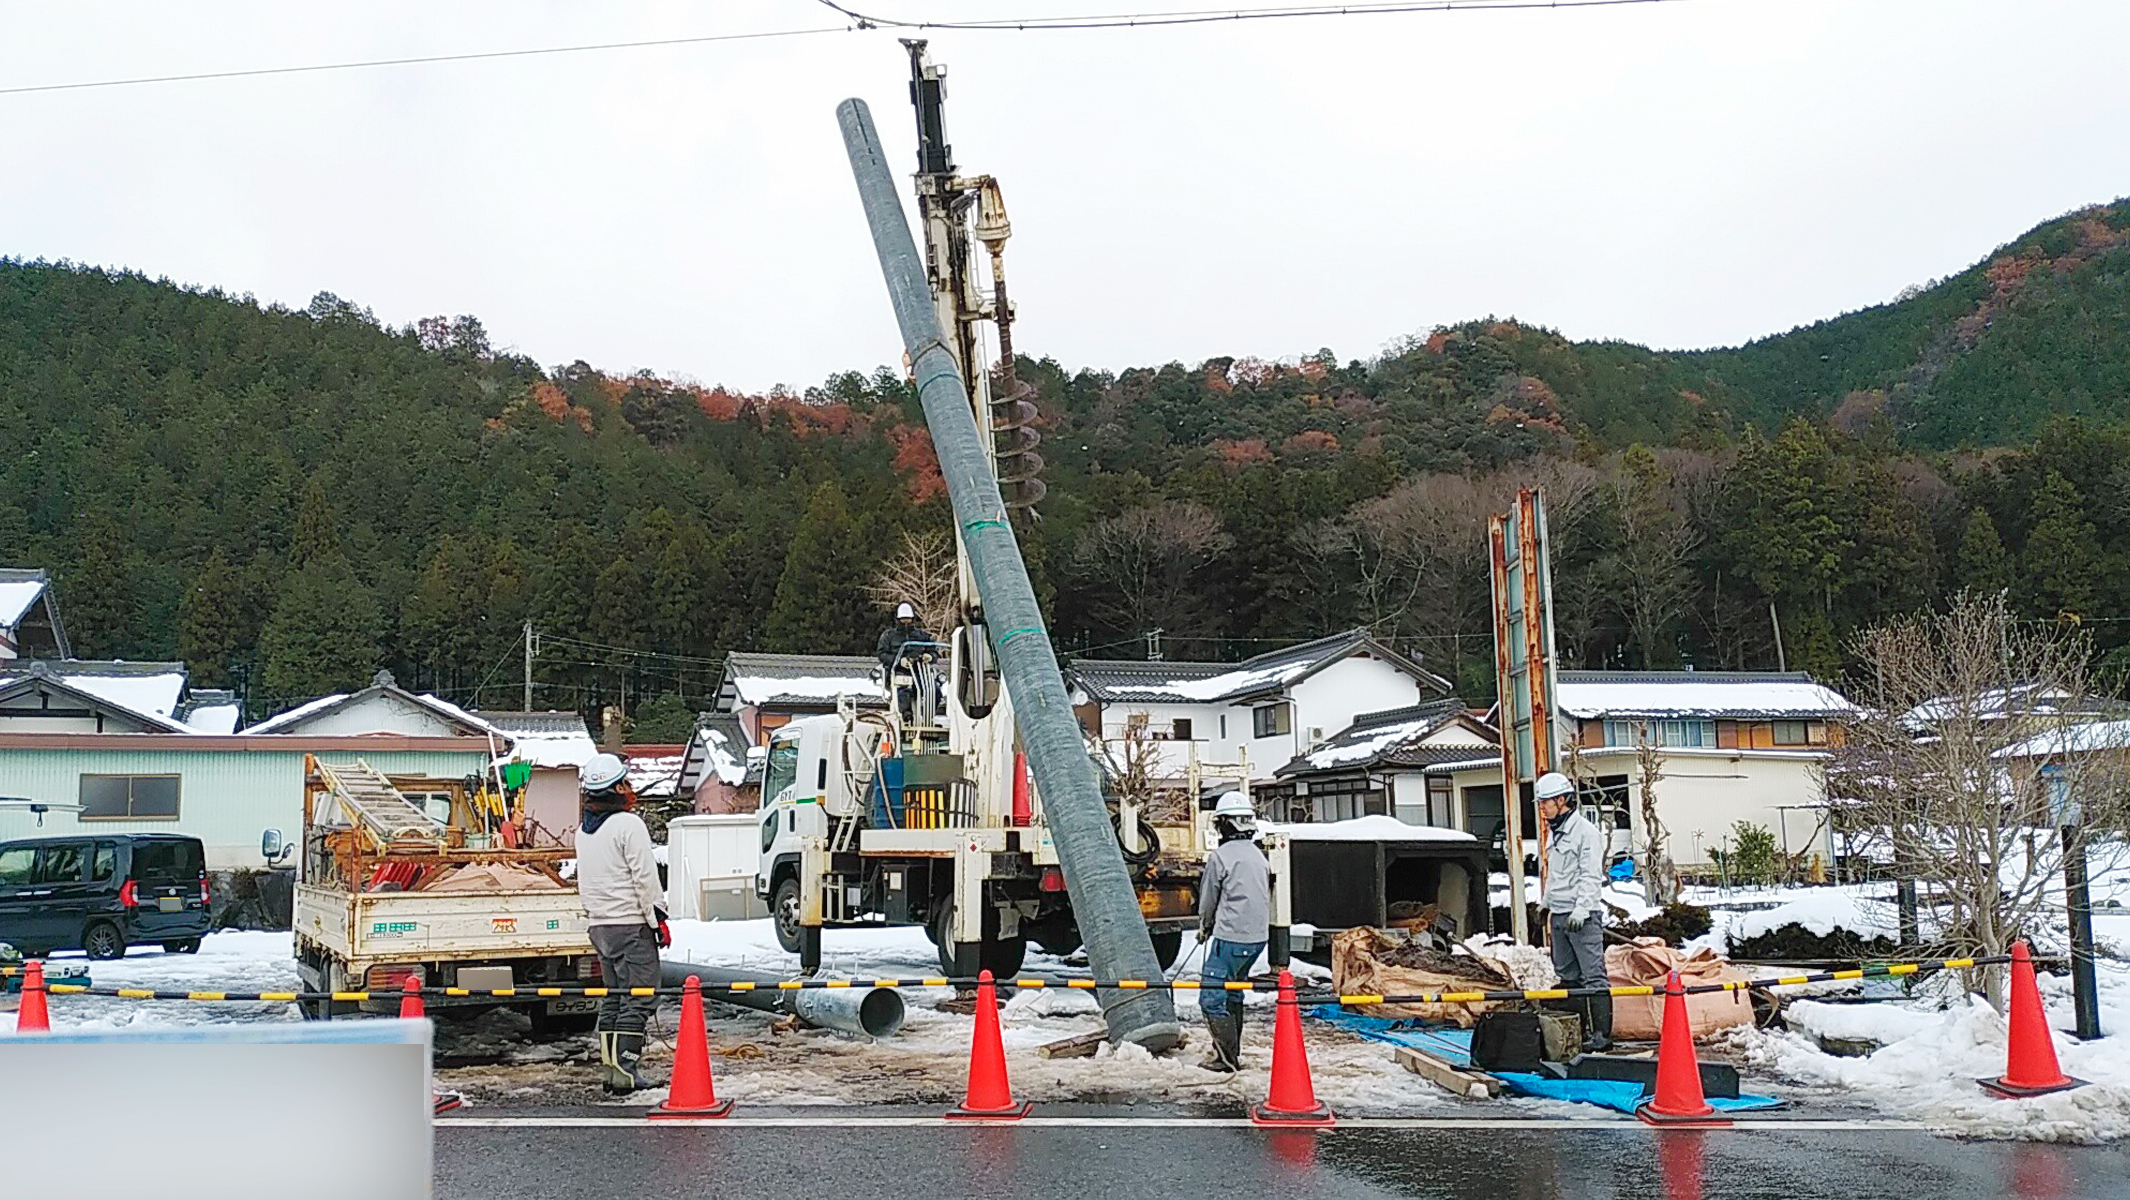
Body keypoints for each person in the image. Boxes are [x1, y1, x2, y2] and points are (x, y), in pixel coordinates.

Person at [575, 752, 672, 1094]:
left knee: (615, 997)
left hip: (600, 927)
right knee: (640, 997)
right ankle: (627, 1070)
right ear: (616, 788)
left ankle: (612, 1072)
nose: (631, 788)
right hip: (630, 925)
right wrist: (657, 917)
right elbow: (645, 878)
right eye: (626, 782)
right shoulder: (628, 825)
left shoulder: (582, 833)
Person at [1537, 770, 1613, 1052]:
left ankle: (1602, 1036)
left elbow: (1590, 876)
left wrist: (1582, 910)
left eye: (1545, 801)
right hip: (1559, 913)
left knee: (1593, 975)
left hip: (1582, 916)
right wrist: (1546, 903)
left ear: (1562, 800)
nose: (1542, 807)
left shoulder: (1585, 833)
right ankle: (1578, 1030)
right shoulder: (1554, 833)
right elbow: (1556, 874)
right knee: (1567, 975)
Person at [1195, 791, 1270, 1072]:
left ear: (1225, 824)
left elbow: (1209, 899)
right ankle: (1231, 1052)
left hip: (1230, 938)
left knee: (1211, 998)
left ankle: (1226, 1058)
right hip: (1256, 941)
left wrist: (1205, 926)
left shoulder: (1221, 857)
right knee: (1234, 992)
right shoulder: (1259, 857)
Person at [875, 602, 935, 721]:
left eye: (908, 619)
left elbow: (933, 650)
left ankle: (927, 714)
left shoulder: (922, 636)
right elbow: (882, 654)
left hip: (920, 673)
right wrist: (898, 661)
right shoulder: (888, 636)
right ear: (898, 619)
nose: (906, 622)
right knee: (903, 689)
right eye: (903, 619)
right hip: (897, 672)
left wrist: (930, 656)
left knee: (935, 690)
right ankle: (907, 714)